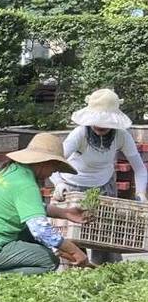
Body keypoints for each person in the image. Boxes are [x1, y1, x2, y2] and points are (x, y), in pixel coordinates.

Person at [0, 133, 91, 279]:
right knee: (48, 261)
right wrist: (75, 251)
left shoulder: (12, 170)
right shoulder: (25, 185)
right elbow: (41, 230)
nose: (53, 172)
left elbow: (30, 207)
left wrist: (66, 213)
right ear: (44, 162)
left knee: (42, 244)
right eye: (54, 167)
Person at [50, 88, 148, 264]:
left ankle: (109, 278)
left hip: (104, 187)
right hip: (73, 189)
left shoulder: (121, 136)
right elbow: (54, 162)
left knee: (105, 240)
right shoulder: (80, 134)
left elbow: (139, 168)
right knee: (73, 243)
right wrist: (58, 183)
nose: (100, 126)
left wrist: (141, 193)